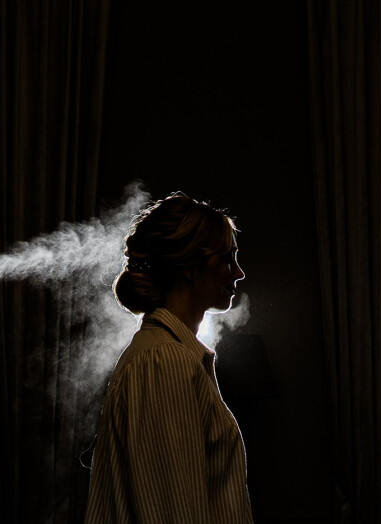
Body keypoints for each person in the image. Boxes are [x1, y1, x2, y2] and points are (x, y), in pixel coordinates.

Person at [84, 192, 253, 524]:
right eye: (227, 258)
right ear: (189, 266)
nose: (239, 272)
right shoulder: (164, 362)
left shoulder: (170, 355)